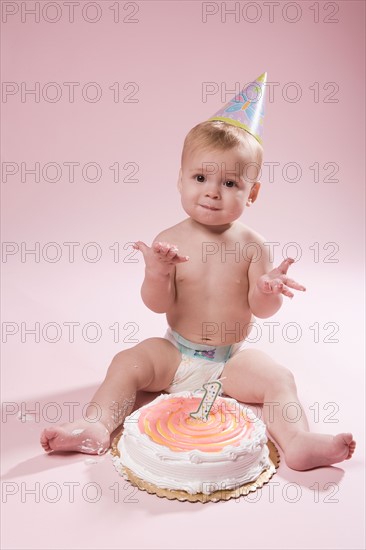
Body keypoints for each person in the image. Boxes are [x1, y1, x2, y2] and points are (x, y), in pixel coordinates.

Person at [40, 73, 356, 470]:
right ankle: (96, 424)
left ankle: (296, 441)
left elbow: (261, 310)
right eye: (201, 178)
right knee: (127, 362)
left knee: (278, 379)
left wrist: (267, 288)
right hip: (176, 352)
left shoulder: (252, 245)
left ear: (251, 193)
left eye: (229, 182)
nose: (212, 191)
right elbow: (158, 306)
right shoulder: (170, 240)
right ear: (180, 180)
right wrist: (156, 274)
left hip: (230, 363)